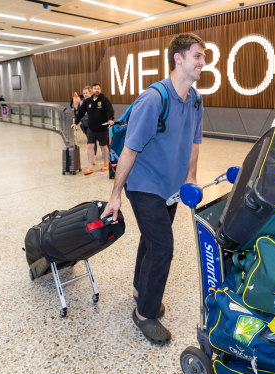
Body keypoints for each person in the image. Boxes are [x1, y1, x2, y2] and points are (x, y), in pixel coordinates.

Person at [101, 33, 205, 345]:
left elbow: (194, 142)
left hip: (170, 187)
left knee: (151, 240)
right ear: (179, 58)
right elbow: (130, 150)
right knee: (163, 247)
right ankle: (144, 313)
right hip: (143, 185)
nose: (202, 62)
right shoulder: (153, 99)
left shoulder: (196, 100)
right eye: (197, 56)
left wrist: (190, 178)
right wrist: (116, 195)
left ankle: (139, 290)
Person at [72, 83, 114, 175]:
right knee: (89, 146)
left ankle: (106, 164)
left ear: (100, 90)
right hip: (91, 129)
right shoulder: (88, 101)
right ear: (92, 90)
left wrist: (111, 119)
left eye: (98, 88)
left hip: (102, 128)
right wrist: (75, 122)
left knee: (103, 146)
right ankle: (90, 166)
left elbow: (110, 109)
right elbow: (81, 112)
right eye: (95, 89)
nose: (97, 90)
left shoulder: (104, 100)